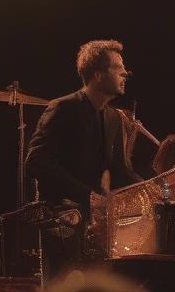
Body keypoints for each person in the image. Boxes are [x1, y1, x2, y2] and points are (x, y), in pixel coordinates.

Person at [25, 40, 141, 274]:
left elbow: (118, 169)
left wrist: (152, 188)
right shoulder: (61, 108)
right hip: (63, 217)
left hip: (96, 221)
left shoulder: (114, 118)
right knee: (68, 289)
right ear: (98, 75)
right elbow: (36, 163)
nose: (125, 74)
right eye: (118, 68)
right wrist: (86, 194)